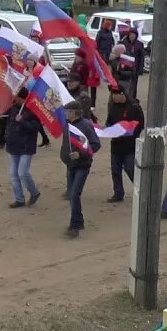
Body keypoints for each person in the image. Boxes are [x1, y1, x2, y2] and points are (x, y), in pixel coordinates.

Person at [60, 100, 100, 237]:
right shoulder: (68, 125)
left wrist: (80, 153)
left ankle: (75, 225)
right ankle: (78, 220)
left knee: (74, 194)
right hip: (70, 165)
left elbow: (95, 145)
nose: (65, 113)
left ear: (74, 112)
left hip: (82, 165)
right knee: (72, 194)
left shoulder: (86, 125)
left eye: (67, 111)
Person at [104, 84, 144, 203]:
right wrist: (110, 129)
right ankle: (118, 193)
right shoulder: (113, 107)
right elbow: (109, 121)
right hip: (116, 144)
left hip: (129, 146)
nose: (113, 97)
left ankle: (141, 190)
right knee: (115, 170)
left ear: (122, 94)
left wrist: (129, 133)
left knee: (130, 169)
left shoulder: (134, 107)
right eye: (112, 95)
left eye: (115, 95)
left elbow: (140, 125)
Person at [5, 88, 43, 208]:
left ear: (22, 98)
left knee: (22, 173)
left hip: (26, 146)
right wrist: (7, 136)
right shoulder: (14, 108)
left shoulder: (34, 111)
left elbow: (35, 128)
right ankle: (19, 199)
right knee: (13, 174)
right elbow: (9, 124)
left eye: (16, 96)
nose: (14, 98)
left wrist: (22, 121)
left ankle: (34, 192)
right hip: (13, 144)